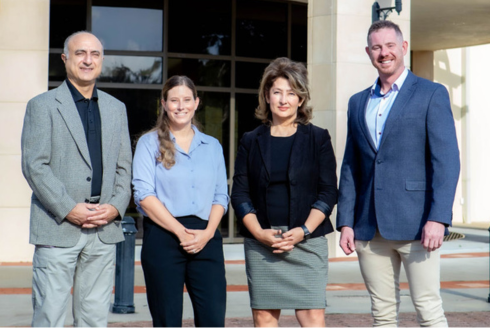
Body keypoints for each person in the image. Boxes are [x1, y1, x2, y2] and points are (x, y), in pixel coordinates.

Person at [337, 20, 460, 327]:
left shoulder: (431, 94)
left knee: (428, 309)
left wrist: (438, 218)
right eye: (377, 47)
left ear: (403, 48)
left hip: (419, 225)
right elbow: (351, 166)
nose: (384, 53)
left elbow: (446, 161)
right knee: (382, 313)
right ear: (368, 52)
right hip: (368, 227)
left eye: (390, 45)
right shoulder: (357, 103)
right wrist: (346, 222)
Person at [21, 31, 132, 327]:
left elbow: (124, 168)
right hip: (58, 227)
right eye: (80, 53)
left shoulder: (116, 109)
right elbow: (35, 166)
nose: (88, 60)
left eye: (95, 54)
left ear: (102, 60)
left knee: (94, 318)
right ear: (65, 59)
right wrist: (69, 208)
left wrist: (116, 207)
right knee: (50, 316)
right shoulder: (42, 105)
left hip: (103, 228)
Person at [231, 57, 338, 327]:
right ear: (267, 95)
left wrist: (303, 230)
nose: (284, 99)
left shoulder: (318, 138)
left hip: (307, 242)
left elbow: (327, 193)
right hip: (262, 243)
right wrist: (258, 233)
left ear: (301, 99)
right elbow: (240, 194)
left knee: (312, 316)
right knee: (264, 318)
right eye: (277, 91)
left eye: (292, 93)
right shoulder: (250, 140)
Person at [132, 75, 229, 327]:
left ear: (196, 103)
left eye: (186, 100)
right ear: (164, 103)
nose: (180, 106)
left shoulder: (213, 146)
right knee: (167, 320)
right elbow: (143, 195)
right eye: (174, 100)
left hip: (206, 239)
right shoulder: (148, 143)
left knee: (213, 320)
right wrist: (179, 231)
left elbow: (221, 196)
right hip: (163, 238)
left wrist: (208, 233)